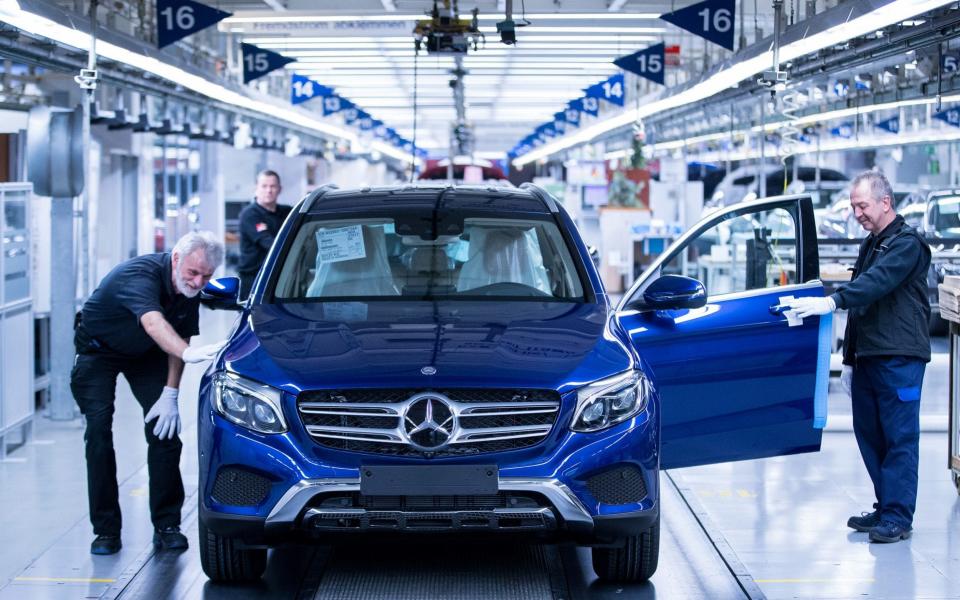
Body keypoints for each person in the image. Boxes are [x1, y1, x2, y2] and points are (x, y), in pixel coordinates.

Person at [788, 170, 931, 543]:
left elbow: (875, 284)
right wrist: (849, 358)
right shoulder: (873, 242)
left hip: (899, 357)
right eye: (853, 206)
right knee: (869, 434)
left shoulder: (907, 244)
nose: (857, 213)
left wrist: (832, 300)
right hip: (869, 355)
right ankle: (886, 507)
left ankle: (899, 516)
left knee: (899, 438)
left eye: (862, 205)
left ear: (885, 202)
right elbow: (863, 304)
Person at [71, 231, 228, 555]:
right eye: (193, 273)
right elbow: (155, 324)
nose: (199, 282)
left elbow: (177, 336)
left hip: (147, 354)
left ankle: (167, 524)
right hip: (98, 351)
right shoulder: (138, 276)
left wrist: (170, 394)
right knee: (99, 433)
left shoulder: (190, 288)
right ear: (175, 260)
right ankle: (105, 531)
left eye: (207, 276)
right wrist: (187, 353)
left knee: (165, 432)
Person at [238, 170, 292, 299]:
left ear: (280, 189)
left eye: (273, 186)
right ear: (256, 189)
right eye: (264, 186)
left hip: (279, 278)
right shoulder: (250, 214)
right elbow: (268, 243)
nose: (269, 190)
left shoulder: (287, 212)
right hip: (254, 279)